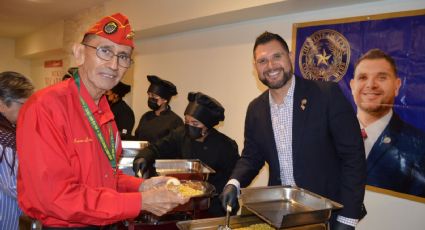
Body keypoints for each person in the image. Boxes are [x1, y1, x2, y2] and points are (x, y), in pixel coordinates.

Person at [16, 13, 188, 229]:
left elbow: (105, 178)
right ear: (79, 53)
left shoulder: (104, 111)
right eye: (105, 51)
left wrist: (143, 187)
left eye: (123, 56)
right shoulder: (45, 107)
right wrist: (141, 201)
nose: (114, 65)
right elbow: (56, 198)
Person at [220, 31, 366, 230]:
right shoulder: (256, 109)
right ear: (255, 68)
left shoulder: (326, 95)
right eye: (262, 61)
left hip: (327, 215)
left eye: (276, 56)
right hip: (281, 217)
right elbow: (251, 156)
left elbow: (353, 158)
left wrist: (348, 219)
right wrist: (234, 183)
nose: (270, 66)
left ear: (289, 56)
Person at [133, 92, 239, 217]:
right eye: (186, 121)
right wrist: (144, 156)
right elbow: (158, 148)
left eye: (195, 124)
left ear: (207, 126)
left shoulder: (226, 146)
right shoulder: (181, 134)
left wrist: (229, 191)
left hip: (214, 205)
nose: (189, 126)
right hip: (186, 204)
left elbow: (236, 175)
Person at [350, 48, 425, 197]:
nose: (371, 85)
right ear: (352, 86)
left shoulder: (419, 145)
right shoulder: (331, 133)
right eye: (363, 77)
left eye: (381, 77)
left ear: (397, 86)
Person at [0, 71, 34, 230]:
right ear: (2, 104)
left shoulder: (8, 131)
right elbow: (14, 185)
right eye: (23, 104)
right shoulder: (4, 139)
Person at [134, 75, 183, 143]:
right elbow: (137, 138)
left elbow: (177, 146)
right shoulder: (146, 116)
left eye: (154, 96)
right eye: (149, 94)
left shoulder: (175, 121)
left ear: (165, 100)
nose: (150, 98)